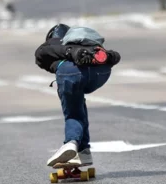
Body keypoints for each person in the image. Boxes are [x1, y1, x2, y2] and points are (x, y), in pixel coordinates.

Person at [34, 23, 121, 167]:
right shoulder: (89, 43)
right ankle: (84, 151)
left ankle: (71, 142)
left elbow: (42, 53)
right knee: (79, 103)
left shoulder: (53, 44)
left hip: (72, 73)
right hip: (101, 72)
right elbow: (113, 57)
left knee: (73, 111)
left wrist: (71, 52)